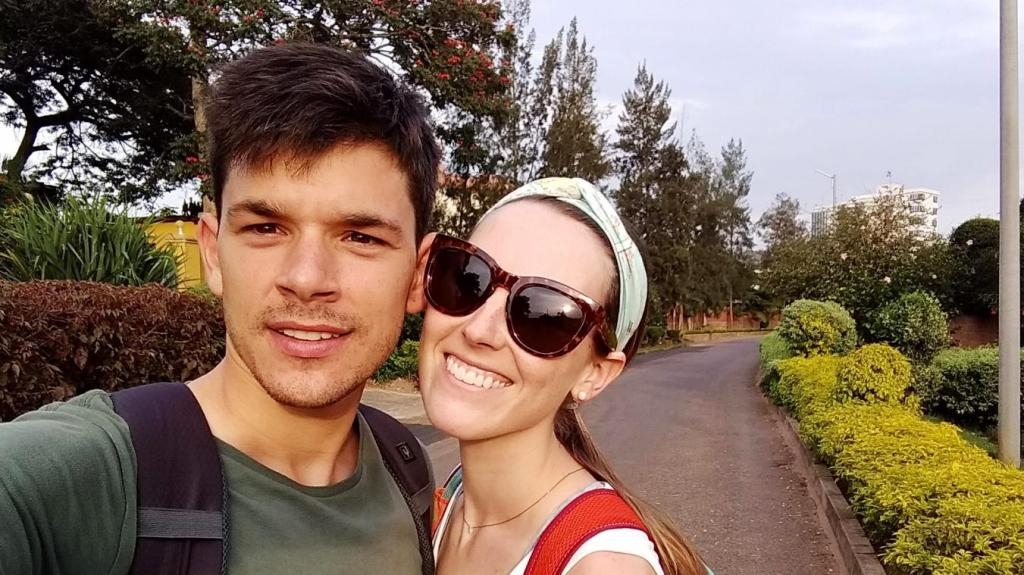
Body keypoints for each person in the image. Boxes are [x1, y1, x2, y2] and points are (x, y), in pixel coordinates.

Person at [0, 43, 441, 574]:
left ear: (417, 275)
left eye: (361, 237)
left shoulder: (405, 468)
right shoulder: (86, 477)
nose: (306, 279)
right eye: (266, 228)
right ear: (213, 253)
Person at [417, 177, 711, 575]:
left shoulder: (602, 567)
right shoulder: (451, 498)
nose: (479, 330)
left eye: (543, 316)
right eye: (467, 278)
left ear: (595, 373)